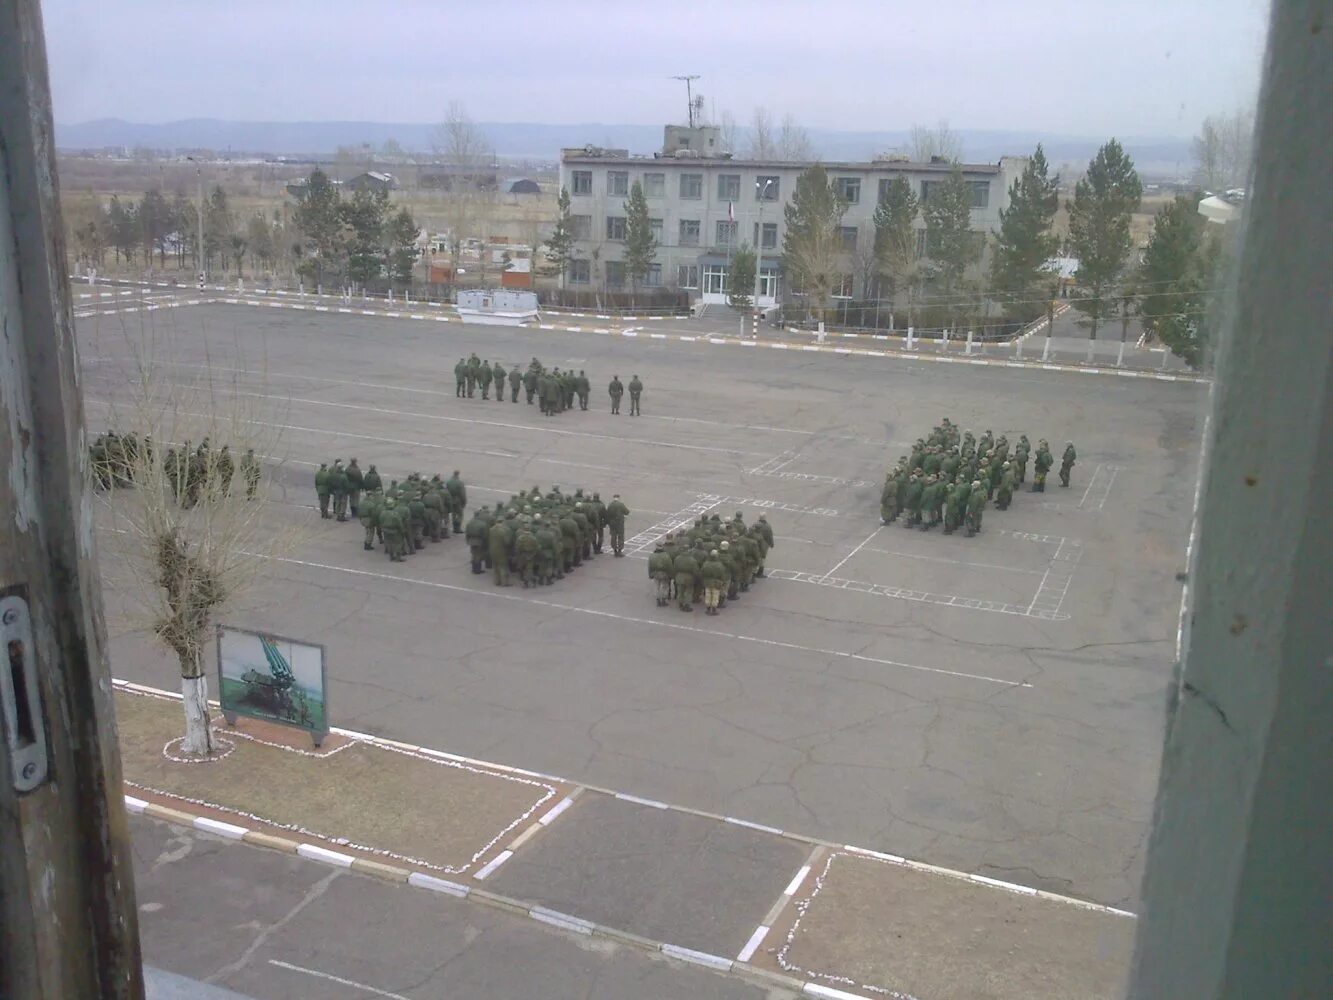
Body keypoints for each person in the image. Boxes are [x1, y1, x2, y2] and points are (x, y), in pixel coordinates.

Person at [672, 546, 698, 612]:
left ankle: (680, 603)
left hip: (679, 577)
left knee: (680, 591)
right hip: (689, 578)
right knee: (688, 592)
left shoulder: (677, 558)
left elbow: (675, 568)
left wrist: (675, 576)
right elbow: (695, 571)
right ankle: (687, 605)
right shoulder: (692, 560)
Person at [648, 541, 674, 607]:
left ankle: (658, 600)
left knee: (657, 587)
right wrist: (671, 574)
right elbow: (669, 566)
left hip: (655, 573)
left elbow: (650, 566)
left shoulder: (652, 556)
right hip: (664, 573)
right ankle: (663, 600)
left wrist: (650, 574)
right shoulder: (666, 556)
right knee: (664, 587)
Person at [701, 549, 726, 615]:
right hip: (716, 582)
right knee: (715, 595)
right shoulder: (719, 565)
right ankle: (714, 609)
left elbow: (702, 572)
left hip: (707, 582)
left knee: (708, 595)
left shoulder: (706, 563)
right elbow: (722, 574)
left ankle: (708, 608)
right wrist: (723, 582)